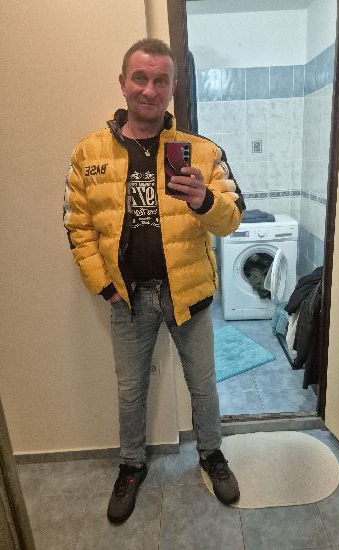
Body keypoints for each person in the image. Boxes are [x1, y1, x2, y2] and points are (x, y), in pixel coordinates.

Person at [63, 38, 245, 524]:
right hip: (128, 297)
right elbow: (77, 226)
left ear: (172, 88)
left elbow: (232, 219)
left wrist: (205, 201)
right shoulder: (88, 153)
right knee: (130, 390)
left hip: (189, 293)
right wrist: (104, 286)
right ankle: (131, 465)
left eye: (160, 80)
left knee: (203, 386)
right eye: (139, 78)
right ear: (123, 82)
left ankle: (212, 454)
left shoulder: (203, 152)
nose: (148, 89)